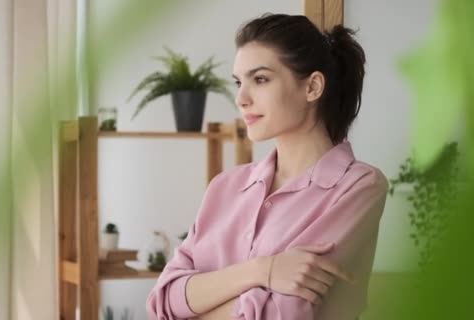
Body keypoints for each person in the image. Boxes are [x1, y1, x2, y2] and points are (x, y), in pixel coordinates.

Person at [147, 13, 388, 320]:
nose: (241, 98)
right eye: (238, 82)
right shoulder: (225, 187)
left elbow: (280, 313)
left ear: (312, 87)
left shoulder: (359, 186)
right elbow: (163, 301)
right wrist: (263, 270)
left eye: (260, 79)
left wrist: (197, 304)